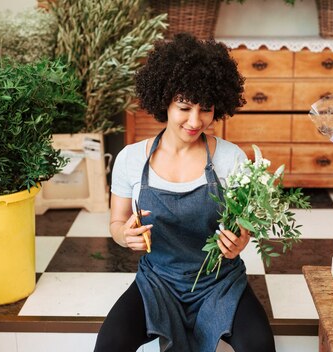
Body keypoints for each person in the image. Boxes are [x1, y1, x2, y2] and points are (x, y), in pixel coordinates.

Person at [94, 33, 276, 352]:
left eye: (205, 109)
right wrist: (125, 235)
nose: (195, 121)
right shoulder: (130, 158)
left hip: (219, 282)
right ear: (164, 100)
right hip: (157, 282)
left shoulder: (229, 158)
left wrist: (239, 242)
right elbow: (116, 224)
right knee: (110, 343)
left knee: (259, 344)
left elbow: (243, 227)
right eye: (184, 107)